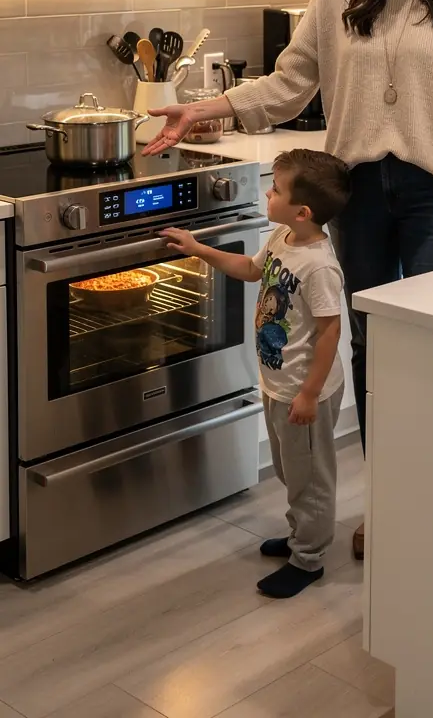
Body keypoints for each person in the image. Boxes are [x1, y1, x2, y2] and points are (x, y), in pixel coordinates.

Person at [143, 0, 433, 560]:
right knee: (370, 343)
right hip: (358, 191)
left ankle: (432, 496)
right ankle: (388, 500)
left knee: (428, 344)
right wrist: (204, 108)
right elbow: (287, 85)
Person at [162, 148, 351, 599]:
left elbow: (328, 334)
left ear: (302, 211)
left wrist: (307, 395)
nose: (268, 191)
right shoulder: (284, 238)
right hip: (278, 384)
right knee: (291, 470)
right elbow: (250, 269)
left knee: (311, 479)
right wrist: (198, 249)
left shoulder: (320, 266)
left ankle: (308, 559)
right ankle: (298, 535)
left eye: (276, 189)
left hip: (307, 393)